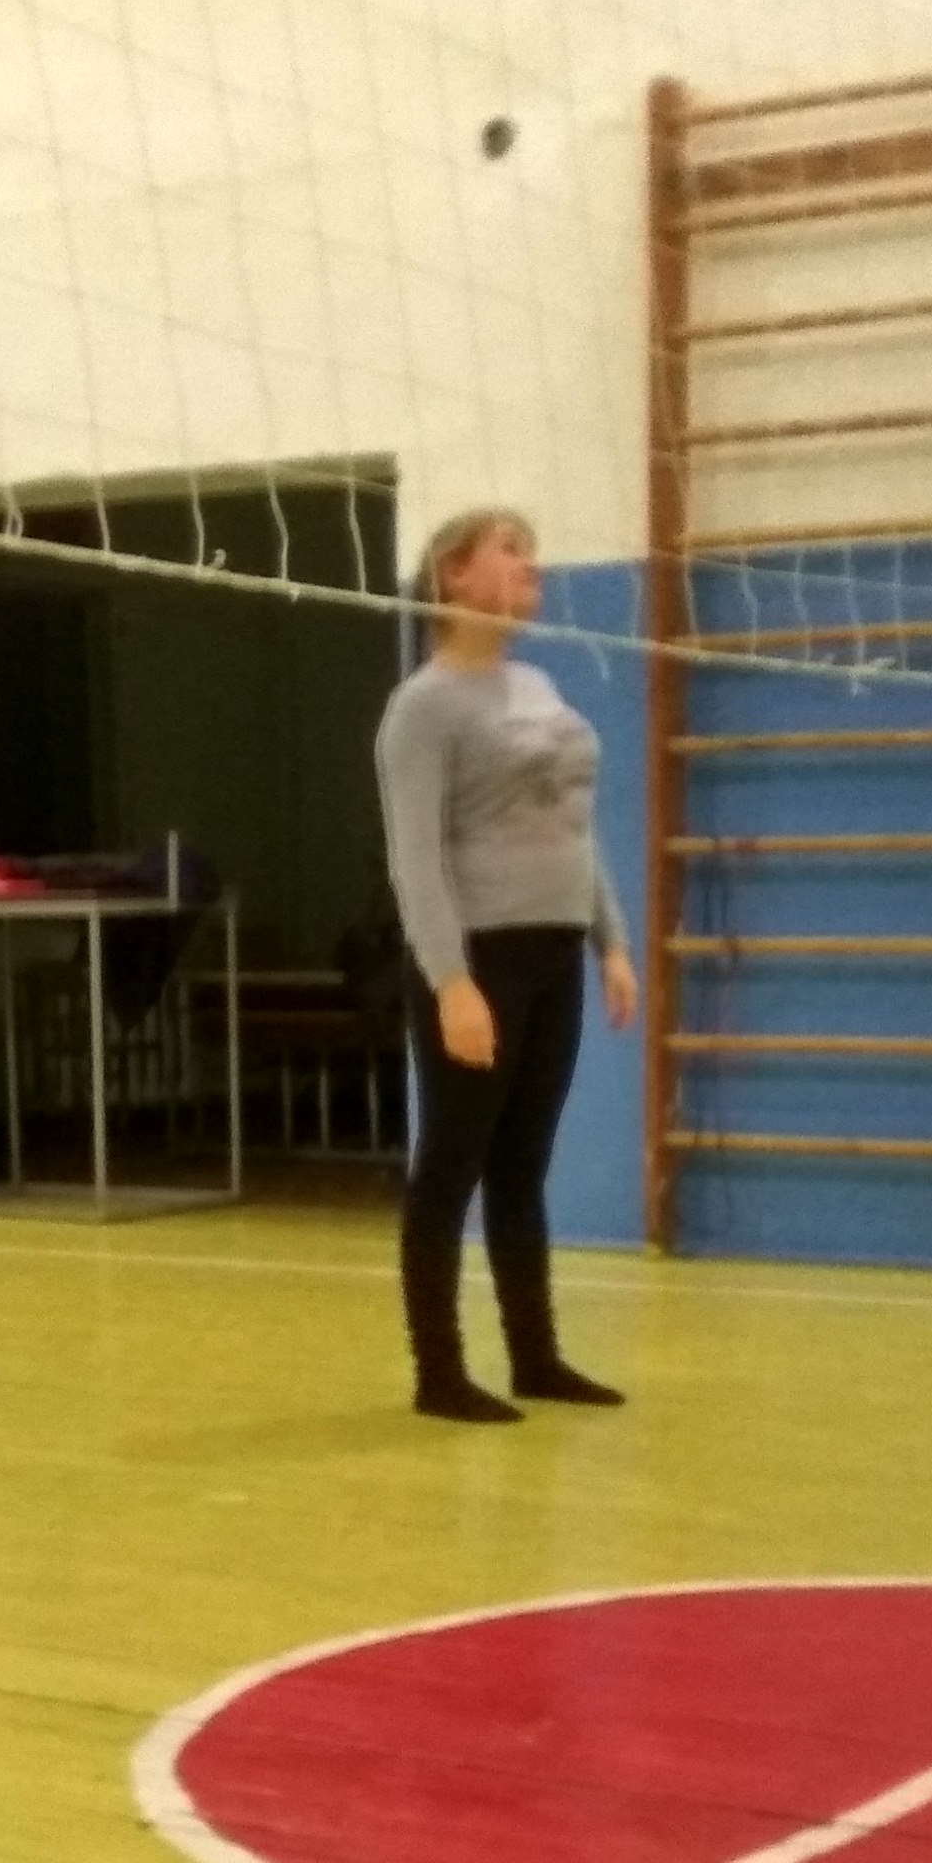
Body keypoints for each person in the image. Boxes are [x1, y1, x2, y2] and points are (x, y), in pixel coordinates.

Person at [374, 506, 639, 1424]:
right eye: (510, 551)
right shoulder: (423, 706)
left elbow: (573, 827)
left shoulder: (538, 684)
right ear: (454, 574)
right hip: (478, 956)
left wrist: (611, 941)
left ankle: (536, 1357)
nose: (532, 567)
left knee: (522, 1166)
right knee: (451, 1162)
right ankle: (439, 1373)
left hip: (554, 952)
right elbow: (415, 860)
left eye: (534, 552)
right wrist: (452, 981)